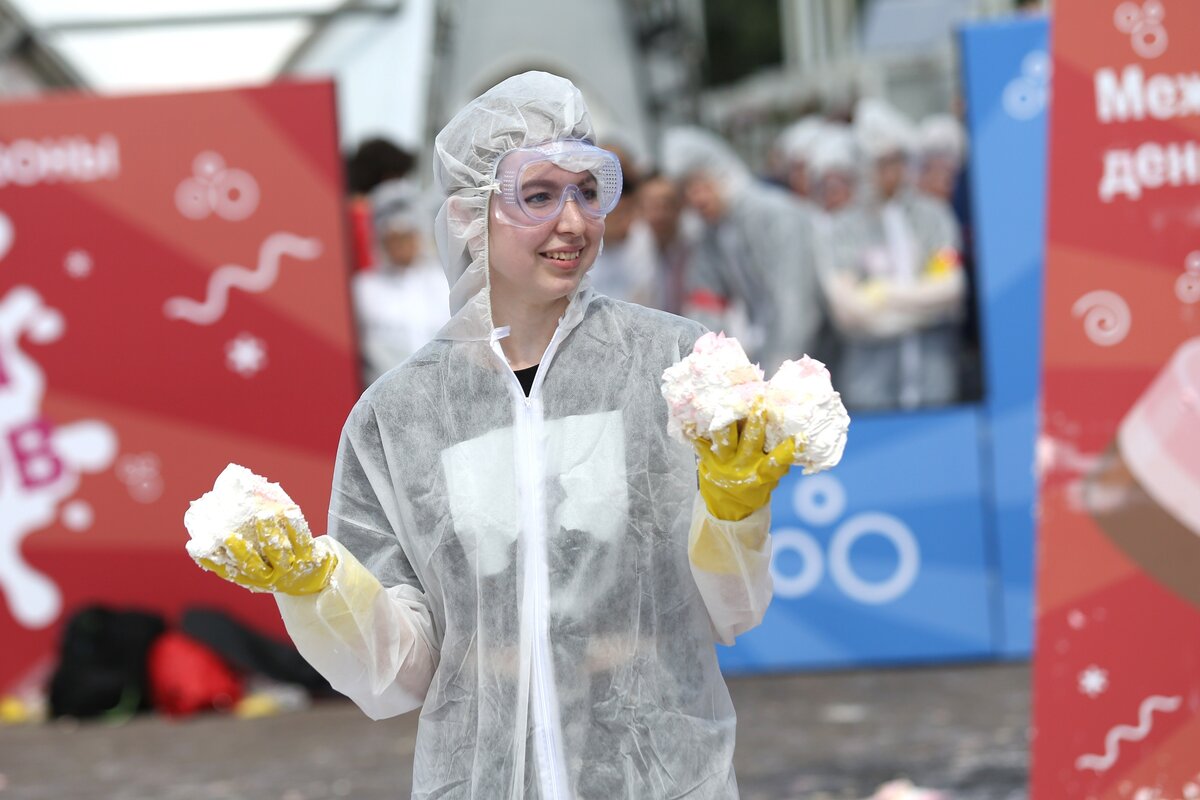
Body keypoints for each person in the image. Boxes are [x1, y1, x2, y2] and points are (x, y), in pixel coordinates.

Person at [193, 71, 797, 798]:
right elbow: (401, 672)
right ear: (466, 215)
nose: (573, 222)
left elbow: (733, 609)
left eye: (588, 191)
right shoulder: (401, 416)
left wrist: (735, 510)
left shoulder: (674, 368)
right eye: (538, 196)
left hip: (661, 778)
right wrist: (319, 589)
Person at [822, 98, 966, 411]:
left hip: (933, 372)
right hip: (870, 383)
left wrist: (885, 294)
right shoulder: (843, 228)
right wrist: (920, 304)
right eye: (881, 164)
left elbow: (951, 289)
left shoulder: (933, 216)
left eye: (897, 161)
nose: (891, 173)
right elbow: (848, 310)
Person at [662, 126, 825, 374]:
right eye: (686, 191)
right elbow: (705, 301)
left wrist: (782, 370)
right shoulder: (713, 233)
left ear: (723, 175)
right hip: (770, 354)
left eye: (701, 185)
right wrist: (704, 364)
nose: (696, 199)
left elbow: (794, 304)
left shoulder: (777, 216)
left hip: (814, 358)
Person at [352, 179, 450, 385]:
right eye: (393, 238)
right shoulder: (364, 290)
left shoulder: (445, 284)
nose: (400, 246)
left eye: (406, 236)